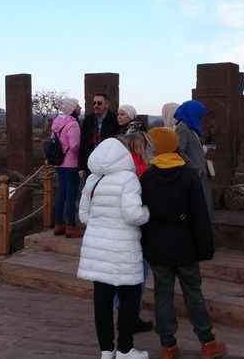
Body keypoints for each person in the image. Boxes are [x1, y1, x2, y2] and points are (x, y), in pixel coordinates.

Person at [140, 128, 227, 359]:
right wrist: (205, 247)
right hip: (185, 245)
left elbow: (143, 216)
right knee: (193, 294)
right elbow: (200, 215)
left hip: (158, 247)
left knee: (162, 295)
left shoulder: (147, 177)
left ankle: (168, 346)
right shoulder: (188, 175)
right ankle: (207, 342)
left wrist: (146, 244)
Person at [78, 138, 150, 359]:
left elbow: (83, 215)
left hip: (97, 248)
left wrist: (101, 225)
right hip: (123, 249)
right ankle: (126, 350)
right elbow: (133, 215)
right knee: (129, 299)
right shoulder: (128, 179)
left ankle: (106, 351)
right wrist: (147, 212)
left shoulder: (92, 180)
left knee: (102, 301)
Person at [117, 133, 154, 334]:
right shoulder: (143, 169)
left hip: (116, 228)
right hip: (137, 226)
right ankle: (131, 316)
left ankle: (120, 309)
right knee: (139, 271)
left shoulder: (115, 168)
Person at [173, 101, 214, 220]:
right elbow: (179, 150)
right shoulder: (183, 128)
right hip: (195, 174)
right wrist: (194, 168)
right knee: (200, 207)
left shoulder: (190, 128)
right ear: (192, 113)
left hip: (199, 173)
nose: (201, 118)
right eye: (199, 115)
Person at [51, 98, 82, 238]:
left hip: (59, 163)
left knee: (61, 194)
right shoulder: (73, 124)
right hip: (71, 164)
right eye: (78, 106)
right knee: (71, 196)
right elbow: (75, 145)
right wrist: (80, 157)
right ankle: (70, 226)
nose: (80, 108)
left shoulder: (56, 122)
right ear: (72, 109)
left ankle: (59, 225)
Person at [79, 93, 120, 180]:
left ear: (107, 105)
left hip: (108, 165)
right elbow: (83, 143)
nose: (96, 105)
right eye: (94, 103)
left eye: (99, 103)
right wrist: (81, 167)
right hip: (90, 163)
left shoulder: (115, 120)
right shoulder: (88, 120)